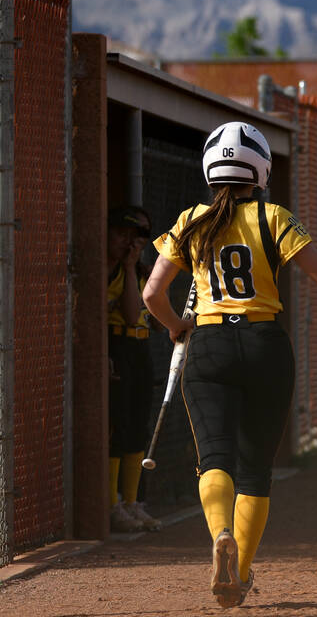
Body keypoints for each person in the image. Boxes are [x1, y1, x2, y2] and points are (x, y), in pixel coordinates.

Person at [142, 121, 317, 609]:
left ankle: (219, 533)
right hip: (266, 344)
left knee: (214, 458)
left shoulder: (190, 221)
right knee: (256, 472)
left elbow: (152, 293)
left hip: (210, 345)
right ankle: (238, 571)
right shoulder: (275, 216)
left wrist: (179, 329)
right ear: (260, 169)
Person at [106, 204, 162, 533]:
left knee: (139, 426)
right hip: (117, 346)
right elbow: (127, 314)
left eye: (140, 235)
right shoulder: (113, 268)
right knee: (119, 425)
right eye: (127, 234)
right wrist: (128, 267)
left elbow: (152, 322)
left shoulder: (142, 271)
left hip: (140, 348)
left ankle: (132, 502)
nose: (133, 243)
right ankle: (113, 504)